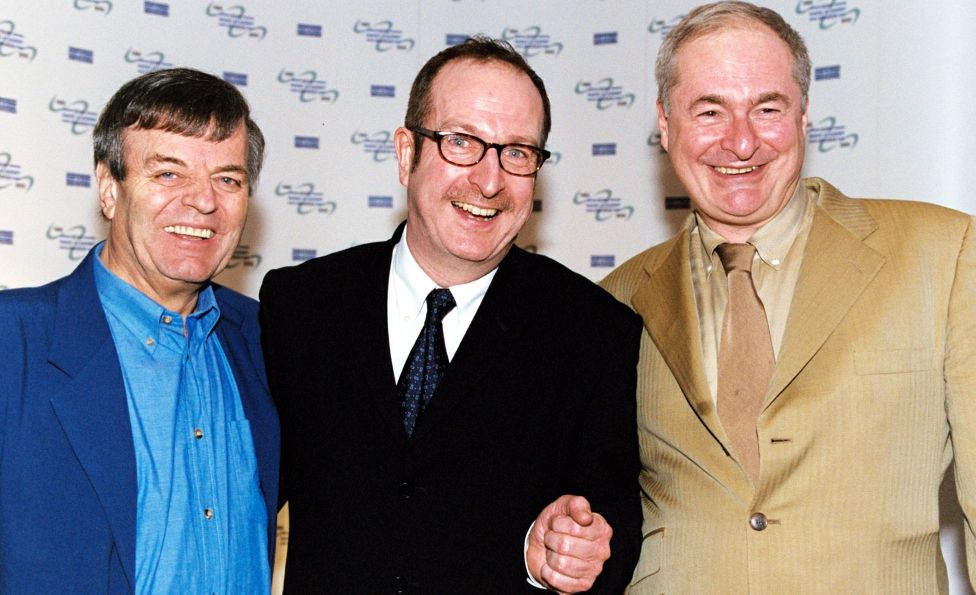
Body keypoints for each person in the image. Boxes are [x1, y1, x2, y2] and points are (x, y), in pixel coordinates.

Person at [600, 1, 976, 592]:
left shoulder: (944, 254)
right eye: (709, 110)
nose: (741, 142)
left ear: (803, 116)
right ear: (665, 122)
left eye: (766, 108)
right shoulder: (613, 301)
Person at [260, 37, 642, 593]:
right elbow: (237, 497)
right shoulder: (300, 306)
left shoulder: (593, 331)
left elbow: (614, 530)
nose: (489, 182)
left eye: (517, 152)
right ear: (405, 153)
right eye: (461, 141)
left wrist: (564, 558)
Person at [0, 68, 279, 593]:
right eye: (169, 174)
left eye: (228, 179)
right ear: (109, 188)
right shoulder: (11, 343)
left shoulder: (269, 341)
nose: (203, 201)